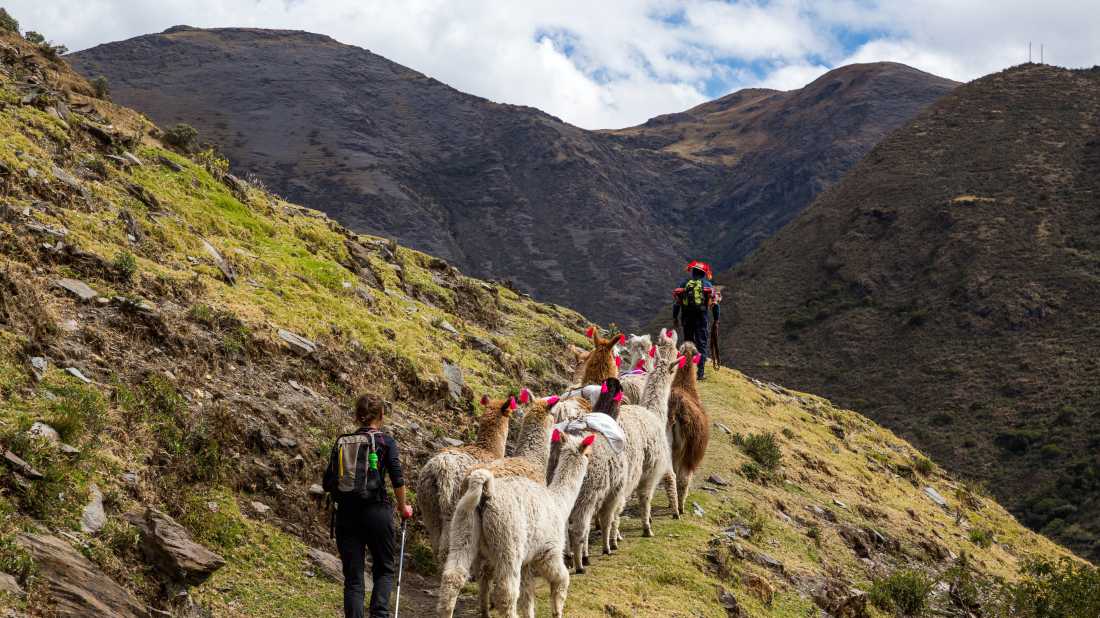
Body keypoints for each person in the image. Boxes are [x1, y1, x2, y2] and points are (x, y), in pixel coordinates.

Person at [323, 394, 413, 618]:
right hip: (377, 512)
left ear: (357, 416)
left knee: (354, 579)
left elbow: (327, 482)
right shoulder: (385, 442)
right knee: (384, 569)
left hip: (346, 515)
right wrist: (403, 508)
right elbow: (397, 478)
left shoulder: (343, 442)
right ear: (381, 416)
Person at [672, 260, 721, 380]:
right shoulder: (707, 285)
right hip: (701, 319)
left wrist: (675, 318)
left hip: (686, 318)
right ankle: (700, 374)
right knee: (701, 345)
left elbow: (676, 304)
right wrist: (716, 320)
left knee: (688, 344)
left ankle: (687, 372)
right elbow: (715, 305)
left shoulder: (684, 283)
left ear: (693, 271)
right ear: (704, 273)